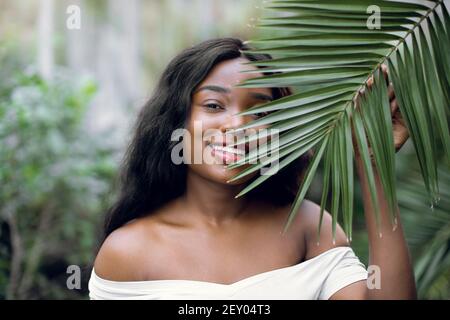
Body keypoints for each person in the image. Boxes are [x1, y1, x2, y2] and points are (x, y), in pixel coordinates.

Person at [88, 38, 416, 300]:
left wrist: (374, 164)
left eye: (260, 114)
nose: (238, 125)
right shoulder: (128, 251)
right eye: (214, 105)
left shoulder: (308, 228)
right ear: (176, 120)